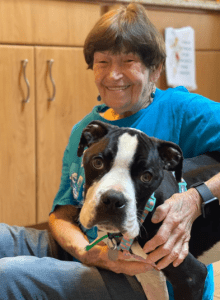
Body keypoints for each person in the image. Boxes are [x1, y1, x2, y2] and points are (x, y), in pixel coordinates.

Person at [0, 3, 220, 300]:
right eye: (103, 62)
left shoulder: (180, 110)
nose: (113, 75)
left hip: (139, 270)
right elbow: (63, 214)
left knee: (9, 276)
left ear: (155, 69)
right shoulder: (87, 130)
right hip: (88, 247)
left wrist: (197, 198)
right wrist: (84, 251)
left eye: (128, 61)